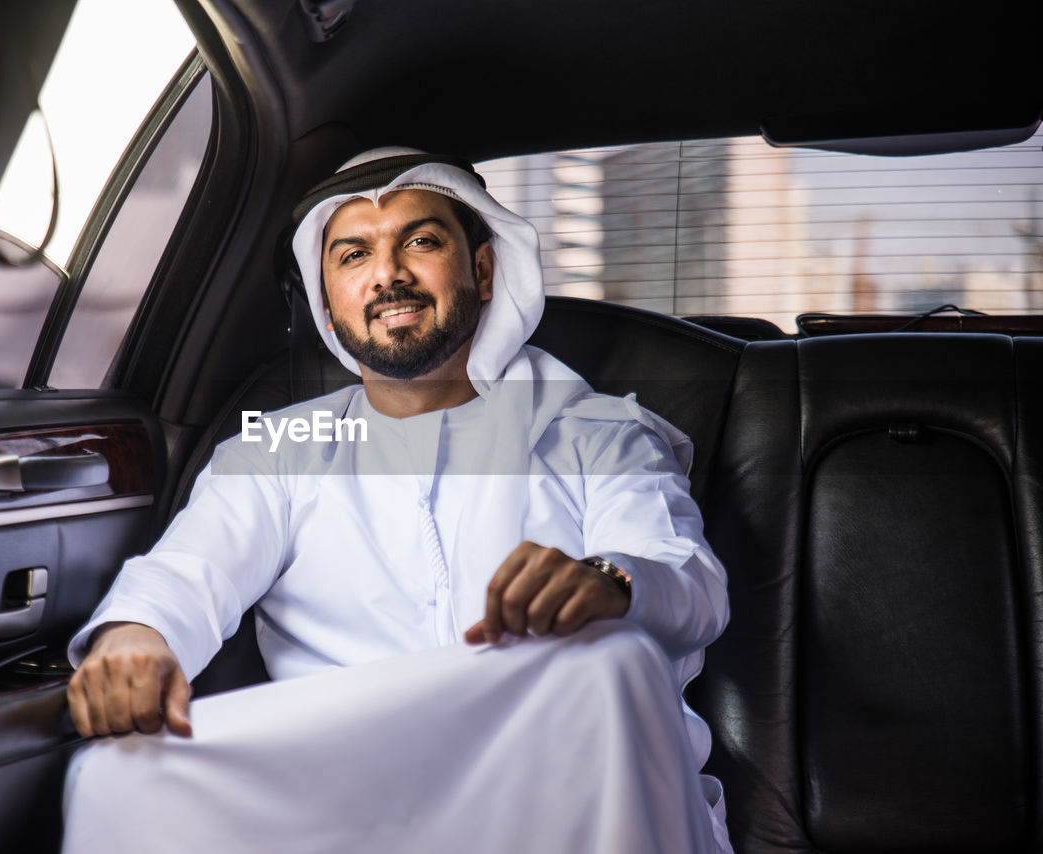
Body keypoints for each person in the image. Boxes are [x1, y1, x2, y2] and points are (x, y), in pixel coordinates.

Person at [61, 148, 732, 853]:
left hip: (561, 787)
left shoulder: (595, 431)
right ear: (328, 300)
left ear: (480, 269)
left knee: (610, 657)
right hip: (354, 800)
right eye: (353, 255)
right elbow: (184, 577)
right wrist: (136, 637)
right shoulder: (279, 452)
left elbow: (687, 578)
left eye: (421, 241)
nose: (387, 274)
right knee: (115, 771)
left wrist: (609, 581)